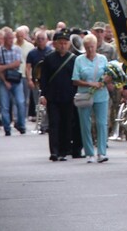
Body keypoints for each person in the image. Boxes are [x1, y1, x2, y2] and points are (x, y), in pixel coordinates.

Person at [72, 34, 110, 162]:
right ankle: (89, 153)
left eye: (92, 47)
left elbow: (108, 74)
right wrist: (90, 84)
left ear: (96, 46)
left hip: (101, 95)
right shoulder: (79, 60)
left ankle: (102, 152)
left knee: (101, 123)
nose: (90, 50)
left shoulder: (103, 59)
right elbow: (75, 80)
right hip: (85, 95)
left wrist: (105, 81)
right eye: (87, 47)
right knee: (85, 124)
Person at [40, 31, 77, 161]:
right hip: (53, 97)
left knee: (66, 124)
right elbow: (43, 78)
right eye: (60, 43)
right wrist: (43, 95)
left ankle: (64, 150)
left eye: (65, 43)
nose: (62, 45)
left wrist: (76, 95)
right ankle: (54, 151)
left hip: (68, 96)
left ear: (68, 45)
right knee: (54, 124)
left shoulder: (73, 59)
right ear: (55, 44)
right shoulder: (49, 58)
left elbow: (76, 79)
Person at [0, 29, 26, 136]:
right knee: (4, 105)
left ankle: (21, 124)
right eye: (9, 38)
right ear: (5, 39)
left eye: (12, 38)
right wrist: (4, 80)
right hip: (3, 80)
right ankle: (7, 127)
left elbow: (17, 64)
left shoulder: (17, 49)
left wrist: (4, 67)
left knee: (21, 102)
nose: (11, 40)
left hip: (16, 79)